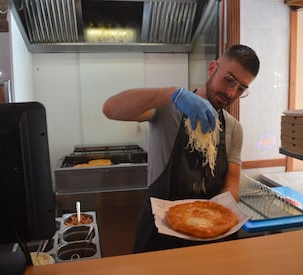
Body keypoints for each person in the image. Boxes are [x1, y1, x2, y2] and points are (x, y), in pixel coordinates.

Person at [103, 44, 260, 253]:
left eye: (241, 88)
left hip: (210, 238)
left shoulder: (233, 128)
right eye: (229, 80)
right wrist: (172, 94)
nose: (232, 92)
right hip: (159, 239)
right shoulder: (169, 110)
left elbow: (231, 183)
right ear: (213, 68)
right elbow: (111, 109)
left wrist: (213, 214)